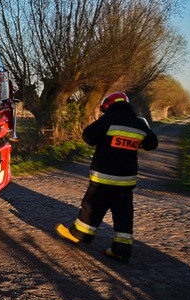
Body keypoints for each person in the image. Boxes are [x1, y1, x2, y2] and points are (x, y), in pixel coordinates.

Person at [56, 92, 158, 263]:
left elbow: (88, 137)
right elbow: (152, 144)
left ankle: (77, 235)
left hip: (104, 177)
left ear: (108, 105)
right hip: (126, 180)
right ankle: (121, 249)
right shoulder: (139, 123)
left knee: (92, 206)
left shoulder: (109, 119)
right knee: (124, 214)